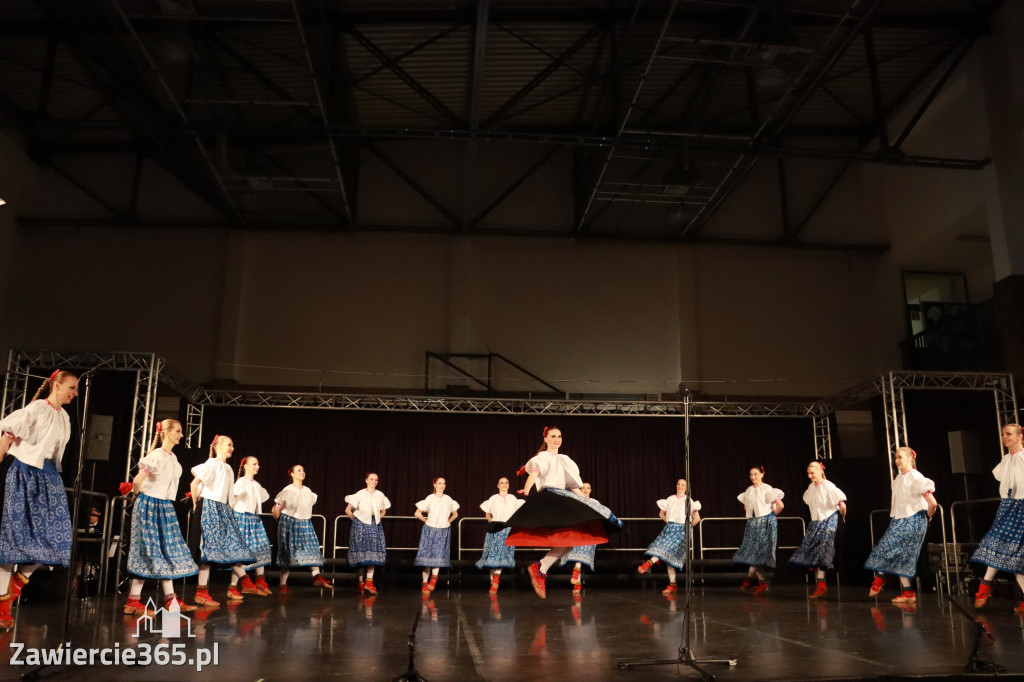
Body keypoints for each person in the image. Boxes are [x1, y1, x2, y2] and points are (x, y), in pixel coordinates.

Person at [498, 427, 622, 599]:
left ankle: (540, 568)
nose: (557, 439)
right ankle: (539, 569)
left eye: (559, 436)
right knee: (567, 539)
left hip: (562, 497)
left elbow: (572, 484)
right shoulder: (543, 457)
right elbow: (535, 473)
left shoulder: (565, 459)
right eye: (553, 436)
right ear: (546, 439)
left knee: (569, 543)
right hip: (551, 498)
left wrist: (586, 500)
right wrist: (526, 489)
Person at [0, 370, 77, 629]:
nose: (74, 393)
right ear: (56, 385)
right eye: (72, 387)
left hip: (49, 476)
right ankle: (2, 605)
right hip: (24, 471)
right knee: (15, 535)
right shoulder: (35, 409)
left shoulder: (64, 416)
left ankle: (17, 583)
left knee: (58, 536)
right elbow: (7, 436)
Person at [124, 419, 199, 615]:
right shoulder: (156, 455)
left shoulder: (172, 458)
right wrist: (136, 494)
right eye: (178, 431)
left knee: (165, 551)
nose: (181, 435)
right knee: (150, 551)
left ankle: (169, 600)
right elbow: (138, 479)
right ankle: (133, 602)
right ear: (166, 433)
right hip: (150, 504)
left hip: (164, 506)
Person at [864, 447, 937, 604]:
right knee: (899, 556)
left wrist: (927, 516)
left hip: (913, 520)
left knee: (888, 547)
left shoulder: (916, 477)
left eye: (900, 457)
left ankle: (880, 577)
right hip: (899, 520)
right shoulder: (898, 479)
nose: (897, 461)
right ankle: (908, 593)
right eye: (895, 457)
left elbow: (933, 503)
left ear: (910, 459)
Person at [190, 435, 256, 605]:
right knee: (208, 550)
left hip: (223, 509)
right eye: (229, 444)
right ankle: (203, 592)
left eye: (232, 445)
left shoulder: (229, 468)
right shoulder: (212, 463)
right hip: (209, 506)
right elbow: (194, 484)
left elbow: (229, 493)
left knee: (230, 544)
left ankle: (244, 581)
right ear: (218, 446)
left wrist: (230, 508)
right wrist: (197, 505)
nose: (231, 448)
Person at [971, 424, 1024, 613]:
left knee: (1004, 547)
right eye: (1003, 434)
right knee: (1016, 557)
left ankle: (984, 586)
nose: (1004, 437)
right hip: (1007, 506)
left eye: (1009, 434)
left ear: (1020, 436)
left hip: (1021, 507)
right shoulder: (1005, 460)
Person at [789, 461, 847, 599]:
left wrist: (842, 518)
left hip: (829, 521)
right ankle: (821, 585)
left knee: (822, 552)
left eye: (812, 473)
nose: (810, 476)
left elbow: (842, 505)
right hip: (816, 522)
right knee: (814, 552)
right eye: (808, 473)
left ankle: (822, 587)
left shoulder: (828, 486)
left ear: (821, 471)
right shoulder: (811, 487)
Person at [272, 465, 332, 591]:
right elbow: (276, 509)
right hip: (289, 523)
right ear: (292, 474)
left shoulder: (308, 491)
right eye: (299, 470)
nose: (302, 472)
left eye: (303, 470)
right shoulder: (287, 490)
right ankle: (283, 584)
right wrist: (282, 522)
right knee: (287, 553)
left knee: (312, 547)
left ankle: (317, 578)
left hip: (305, 523)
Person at [637, 478, 702, 595]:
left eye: (683, 485)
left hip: (682, 530)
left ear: (686, 488)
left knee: (665, 550)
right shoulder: (670, 499)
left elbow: (697, 519)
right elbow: (661, 513)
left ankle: (648, 564)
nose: (680, 486)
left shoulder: (689, 501)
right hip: (671, 528)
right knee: (667, 556)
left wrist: (688, 528)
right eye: (678, 484)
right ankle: (672, 585)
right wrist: (670, 523)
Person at [733, 466, 785, 594]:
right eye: (751, 475)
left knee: (757, 553)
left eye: (756, 474)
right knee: (755, 553)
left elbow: (780, 505)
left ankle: (749, 579)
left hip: (766, 521)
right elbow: (747, 507)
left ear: (762, 474)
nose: (753, 477)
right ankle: (761, 582)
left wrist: (771, 515)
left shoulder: (767, 488)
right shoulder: (749, 490)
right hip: (754, 522)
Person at [232, 455, 274, 596]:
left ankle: (260, 581)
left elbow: (260, 498)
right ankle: (233, 587)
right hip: (241, 517)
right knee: (241, 554)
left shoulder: (255, 485)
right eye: (254, 464)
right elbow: (232, 501)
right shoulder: (241, 482)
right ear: (246, 466)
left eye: (258, 464)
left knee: (262, 548)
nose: (258, 467)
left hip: (253, 518)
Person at [345, 472, 391, 595]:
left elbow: (383, 509)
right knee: (361, 552)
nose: (374, 482)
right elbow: (348, 509)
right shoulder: (360, 494)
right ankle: (361, 581)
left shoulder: (380, 494)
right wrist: (356, 520)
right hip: (360, 524)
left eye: (376, 480)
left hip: (374, 524)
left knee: (373, 552)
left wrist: (378, 518)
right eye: (371, 479)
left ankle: (369, 581)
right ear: (366, 480)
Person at [475, 476, 523, 594]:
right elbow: (488, 514)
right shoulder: (493, 498)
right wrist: (492, 523)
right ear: (498, 485)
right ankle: (493, 582)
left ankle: (496, 578)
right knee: (493, 555)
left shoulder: (512, 498)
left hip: (507, 529)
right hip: (496, 529)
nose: (504, 484)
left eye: (506, 482)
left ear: (509, 485)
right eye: (501, 483)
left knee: (502, 554)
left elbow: (517, 513)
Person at [414, 476, 459, 594]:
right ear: (435, 485)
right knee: (427, 557)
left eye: (444, 483)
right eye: (439, 483)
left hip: (443, 530)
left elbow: (455, 514)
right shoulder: (430, 498)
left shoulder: (448, 499)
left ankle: (433, 580)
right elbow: (417, 513)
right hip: (430, 529)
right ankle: (424, 582)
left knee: (438, 555)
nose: (442, 486)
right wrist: (426, 521)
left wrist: (447, 522)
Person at [559, 482, 600, 595]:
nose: (585, 490)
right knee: (577, 550)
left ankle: (577, 578)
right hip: (577, 531)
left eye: (587, 488)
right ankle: (577, 579)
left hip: (590, 532)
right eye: (582, 488)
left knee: (583, 549)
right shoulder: (575, 500)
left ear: (590, 490)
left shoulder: (595, 502)